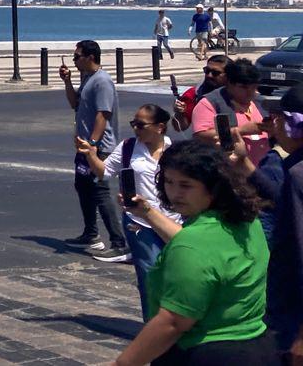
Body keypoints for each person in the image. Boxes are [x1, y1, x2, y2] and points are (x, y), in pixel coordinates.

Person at [111, 142, 273, 366]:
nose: (175, 193)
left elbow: (173, 322)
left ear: (213, 187)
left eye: (186, 185)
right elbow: (204, 250)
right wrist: (146, 212)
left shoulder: (193, 244)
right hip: (258, 344)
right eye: (169, 182)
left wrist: (123, 363)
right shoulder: (246, 221)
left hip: (205, 353)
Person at [77, 104, 175, 319]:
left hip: (174, 221)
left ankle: (174, 323)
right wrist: (91, 155)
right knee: (149, 275)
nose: (135, 129)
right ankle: (152, 324)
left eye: (141, 125)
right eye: (133, 124)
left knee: (175, 275)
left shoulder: (175, 150)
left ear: (160, 127)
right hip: (139, 222)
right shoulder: (128, 147)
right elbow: (104, 172)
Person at [234, 86, 303, 360]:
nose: (274, 125)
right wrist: (246, 166)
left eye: (279, 118)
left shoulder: (298, 172)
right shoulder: (294, 164)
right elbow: (281, 201)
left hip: (291, 307)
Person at [61, 39, 127, 257]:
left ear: (90, 57)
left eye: (77, 57)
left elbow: (103, 114)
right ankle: (90, 234)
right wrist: (67, 81)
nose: (74, 61)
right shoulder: (88, 78)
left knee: (100, 192)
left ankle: (118, 242)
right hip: (85, 146)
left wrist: (93, 144)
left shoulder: (102, 81)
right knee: (83, 186)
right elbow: (74, 104)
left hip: (98, 147)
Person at [190, 58, 269, 165]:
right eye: (244, 87)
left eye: (253, 87)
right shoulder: (210, 103)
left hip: (261, 168)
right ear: (229, 83)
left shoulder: (260, 102)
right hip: (226, 168)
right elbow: (200, 136)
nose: (250, 92)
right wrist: (240, 131)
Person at [173, 54, 227, 132]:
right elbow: (180, 128)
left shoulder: (239, 92)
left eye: (215, 73)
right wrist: (179, 113)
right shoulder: (194, 94)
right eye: (207, 71)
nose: (209, 75)